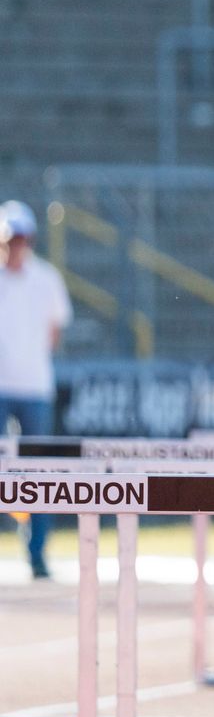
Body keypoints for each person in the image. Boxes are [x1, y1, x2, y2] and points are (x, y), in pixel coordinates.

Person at [0, 202, 69, 580]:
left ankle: (37, 555)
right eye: (11, 240)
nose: (16, 247)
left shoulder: (46, 278)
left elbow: (54, 334)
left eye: (22, 240)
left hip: (34, 387)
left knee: (39, 474)